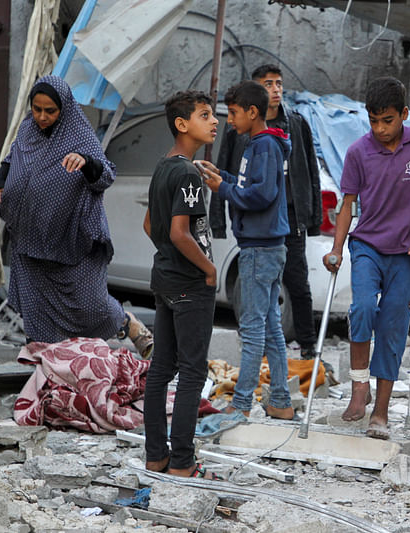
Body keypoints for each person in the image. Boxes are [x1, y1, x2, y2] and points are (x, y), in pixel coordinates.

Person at [0, 75, 153, 357]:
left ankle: (127, 324)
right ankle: (46, 365)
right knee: (36, 305)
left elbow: (105, 175)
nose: (42, 117)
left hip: (70, 236)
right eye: (37, 108)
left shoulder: (77, 133)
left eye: (50, 111)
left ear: (64, 109)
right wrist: (1, 185)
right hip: (30, 235)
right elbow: (10, 160)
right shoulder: (27, 129)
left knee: (90, 303)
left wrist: (85, 162)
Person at [324, 77, 410, 440]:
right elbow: (348, 204)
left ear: (404, 114)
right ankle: (360, 387)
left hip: (406, 253)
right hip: (368, 247)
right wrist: (336, 248)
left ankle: (381, 410)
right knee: (361, 308)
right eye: (373, 120)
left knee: (392, 327)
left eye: (387, 120)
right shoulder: (359, 152)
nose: (380, 128)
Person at [214, 65, 321, 359]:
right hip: (255, 221)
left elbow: (311, 172)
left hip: (290, 219)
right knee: (257, 288)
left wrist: (312, 221)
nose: (275, 89)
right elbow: (227, 169)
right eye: (268, 84)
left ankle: (309, 346)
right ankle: (259, 351)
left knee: (297, 283)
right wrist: (220, 218)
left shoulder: (295, 125)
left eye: (278, 83)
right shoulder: (239, 129)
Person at [203, 81, 296, 420]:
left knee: (253, 327)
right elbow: (249, 185)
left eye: (235, 114)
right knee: (270, 325)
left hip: (260, 248)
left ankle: (241, 404)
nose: (230, 121)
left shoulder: (265, 147)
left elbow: (263, 195)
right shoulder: (255, 146)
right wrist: (222, 176)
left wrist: (223, 188)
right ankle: (282, 402)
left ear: (253, 113)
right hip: (263, 247)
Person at [142, 90, 218, 478]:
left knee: (160, 370)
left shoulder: (164, 166)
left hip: (165, 281)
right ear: (182, 124)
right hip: (190, 284)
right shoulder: (187, 172)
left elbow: (148, 225)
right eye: (205, 115)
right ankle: (184, 463)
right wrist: (209, 269)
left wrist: (171, 258)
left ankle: (156, 456)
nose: (215, 121)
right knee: (192, 373)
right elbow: (178, 232)